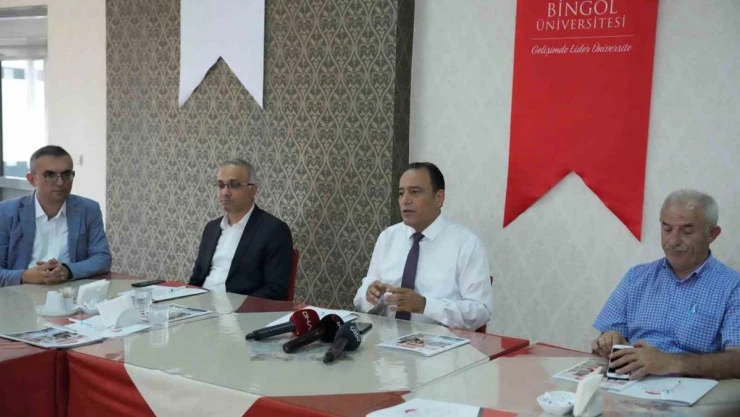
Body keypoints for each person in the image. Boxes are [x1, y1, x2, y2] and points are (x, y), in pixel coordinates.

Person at [593, 190, 740, 380]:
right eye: (667, 229)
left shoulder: (733, 287)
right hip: (631, 382)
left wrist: (671, 362)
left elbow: (737, 361)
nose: (673, 241)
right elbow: (609, 335)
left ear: (711, 234)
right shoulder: (636, 277)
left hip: (690, 387)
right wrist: (608, 340)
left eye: (687, 231)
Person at [353, 162, 492, 331]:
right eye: (401, 193)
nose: (405, 200)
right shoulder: (388, 237)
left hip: (440, 343)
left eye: (415, 192)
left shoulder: (466, 243)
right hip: (385, 341)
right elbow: (360, 299)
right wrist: (371, 295)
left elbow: (480, 310)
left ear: (438, 198)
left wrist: (425, 305)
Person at [0, 145, 111, 287]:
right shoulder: (6, 212)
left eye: (66, 174)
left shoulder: (88, 209)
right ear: (32, 179)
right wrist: (25, 276)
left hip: (70, 290)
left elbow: (102, 258)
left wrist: (67, 270)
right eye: (50, 175)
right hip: (21, 291)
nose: (60, 182)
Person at [188, 159, 294, 299]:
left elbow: (275, 290)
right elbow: (196, 279)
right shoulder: (211, 228)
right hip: (201, 305)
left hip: (239, 308)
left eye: (234, 185)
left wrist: (235, 306)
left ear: (253, 190)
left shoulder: (274, 230)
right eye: (220, 185)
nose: (225, 192)